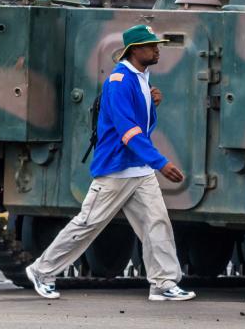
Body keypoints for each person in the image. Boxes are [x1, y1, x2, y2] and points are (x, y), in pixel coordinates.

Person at [24, 24, 195, 302]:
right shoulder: (119, 81)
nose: (157, 50)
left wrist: (154, 105)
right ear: (135, 50)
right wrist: (160, 161)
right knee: (87, 224)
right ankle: (42, 271)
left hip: (139, 169)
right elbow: (128, 131)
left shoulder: (141, 78)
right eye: (152, 46)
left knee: (157, 223)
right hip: (117, 169)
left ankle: (163, 283)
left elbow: (141, 125)